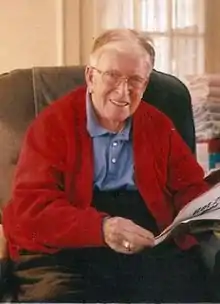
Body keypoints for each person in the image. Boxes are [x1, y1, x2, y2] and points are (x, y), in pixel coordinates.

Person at [1, 28, 213, 302]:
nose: (124, 91)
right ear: (91, 76)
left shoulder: (158, 125)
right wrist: (101, 228)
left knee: (190, 291)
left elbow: (190, 188)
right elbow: (32, 209)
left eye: (135, 80)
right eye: (112, 75)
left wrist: (207, 207)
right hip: (66, 244)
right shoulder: (53, 125)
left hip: (144, 238)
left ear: (145, 84)